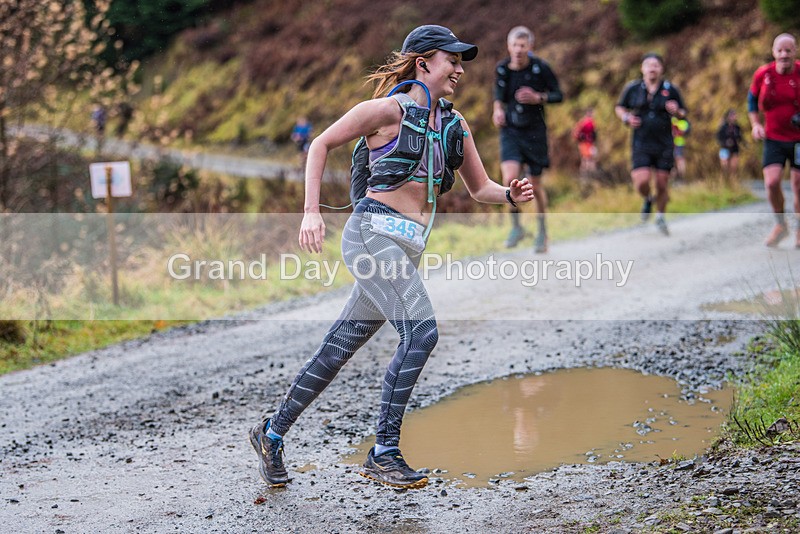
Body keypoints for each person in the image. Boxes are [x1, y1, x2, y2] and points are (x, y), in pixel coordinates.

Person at [250, 25, 534, 490]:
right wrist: (310, 213)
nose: (461, 70)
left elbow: (481, 188)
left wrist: (511, 194)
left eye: (463, 62)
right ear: (423, 62)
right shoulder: (386, 110)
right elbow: (320, 144)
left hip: (406, 246)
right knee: (422, 333)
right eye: (452, 60)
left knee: (338, 349)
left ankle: (272, 432)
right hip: (370, 235)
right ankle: (383, 452)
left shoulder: (454, 124)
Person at [493, 25, 563, 252]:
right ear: (508, 46)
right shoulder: (502, 69)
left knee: (535, 184)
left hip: (535, 132)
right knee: (509, 179)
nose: (518, 49)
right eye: (514, 45)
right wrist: (497, 110)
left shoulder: (541, 68)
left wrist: (538, 97)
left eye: (523, 45)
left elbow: (558, 95)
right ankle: (516, 227)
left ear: (530, 47)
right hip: (511, 131)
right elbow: (498, 98)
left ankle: (542, 232)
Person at [615, 53, 687, 236]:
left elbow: (683, 112)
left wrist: (676, 111)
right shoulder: (633, 88)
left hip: (664, 143)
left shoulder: (671, 89)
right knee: (641, 181)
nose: (652, 68)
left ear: (661, 68)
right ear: (642, 68)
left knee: (662, 184)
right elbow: (619, 107)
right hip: (641, 143)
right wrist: (626, 118)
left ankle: (661, 216)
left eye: (656, 65)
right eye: (648, 65)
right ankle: (648, 198)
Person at [748, 33, 800, 248]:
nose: (784, 54)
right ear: (773, 52)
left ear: (795, 51)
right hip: (774, 138)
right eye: (780, 50)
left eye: (788, 50)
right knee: (771, 183)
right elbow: (751, 99)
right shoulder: (764, 74)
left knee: (798, 185)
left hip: (798, 140)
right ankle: (781, 225)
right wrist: (755, 124)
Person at [716, 109, 743, 184]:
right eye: (732, 115)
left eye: (734, 115)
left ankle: (733, 182)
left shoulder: (737, 127)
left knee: (734, 167)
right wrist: (725, 142)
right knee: (725, 166)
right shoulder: (723, 127)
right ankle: (724, 182)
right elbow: (718, 137)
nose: (734, 117)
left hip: (734, 149)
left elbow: (740, 137)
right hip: (724, 148)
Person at [572, 107, 598, 174]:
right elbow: (576, 133)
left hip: (589, 143)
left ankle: (589, 176)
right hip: (585, 143)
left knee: (590, 159)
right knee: (587, 159)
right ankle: (586, 176)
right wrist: (583, 137)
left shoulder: (590, 121)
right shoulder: (585, 122)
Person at [671, 115, 690, 180]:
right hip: (672, 144)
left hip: (678, 144)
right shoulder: (683, 122)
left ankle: (680, 178)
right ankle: (674, 179)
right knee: (674, 162)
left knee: (678, 161)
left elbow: (683, 132)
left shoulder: (683, 122)